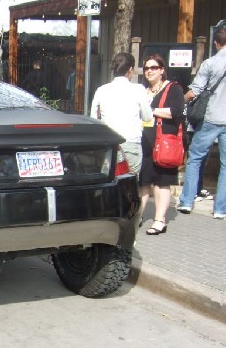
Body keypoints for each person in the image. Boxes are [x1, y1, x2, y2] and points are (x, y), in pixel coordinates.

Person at [178, 27, 226, 219]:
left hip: (210, 117)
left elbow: (194, 91)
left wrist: (181, 100)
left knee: (195, 158)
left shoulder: (210, 63)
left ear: (216, 43)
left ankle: (187, 201)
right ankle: (220, 209)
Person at [139, 53, 185, 235]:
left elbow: (176, 112)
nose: (149, 71)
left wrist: (151, 110)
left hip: (164, 142)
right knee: (143, 182)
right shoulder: (142, 90)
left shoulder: (172, 89)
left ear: (162, 70)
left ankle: (160, 220)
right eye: (146, 68)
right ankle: (138, 216)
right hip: (145, 142)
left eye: (153, 68)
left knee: (162, 182)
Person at [90, 52, 152, 174]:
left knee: (109, 182)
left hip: (108, 143)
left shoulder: (101, 90)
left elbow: (93, 118)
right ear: (130, 69)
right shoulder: (138, 89)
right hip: (130, 143)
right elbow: (148, 116)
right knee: (130, 184)